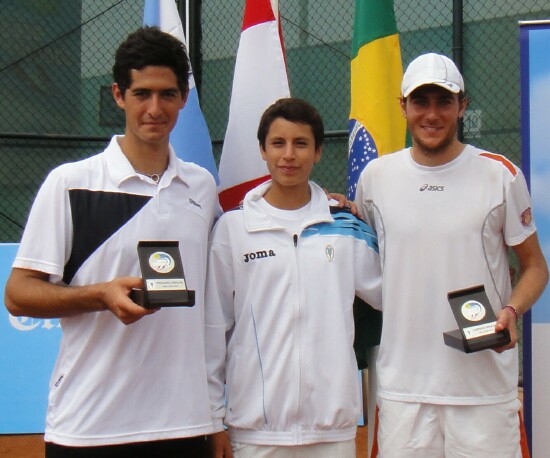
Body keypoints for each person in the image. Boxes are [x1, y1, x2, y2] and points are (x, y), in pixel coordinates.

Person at [4, 27, 219, 457]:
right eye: (142, 94)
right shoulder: (70, 183)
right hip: (91, 427)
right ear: (119, 95)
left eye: (167, 94)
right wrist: (101, 295)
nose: (154, 108)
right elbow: (18, 294)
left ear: (183, 99)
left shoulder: (201, 185)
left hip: (185, 425)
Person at [355, 52, 549, 457]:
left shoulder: (500, 175)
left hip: (483, 391)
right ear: (403, 106)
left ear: (462, 106)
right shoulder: (375, 178)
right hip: (404, 392)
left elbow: (534, 267)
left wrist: (511, 312)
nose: (432, 114)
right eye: (420, 102)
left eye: (444, 101)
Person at [205, 97, 382, 458]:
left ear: (318, 152)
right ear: (262, 150)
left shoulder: (346, 226)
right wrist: (213, 419)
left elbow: (394, 296)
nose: (289, 154)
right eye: (278, 143)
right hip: (254, 433)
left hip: (332, 431)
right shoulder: (233, 229)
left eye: (301, 144)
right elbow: (213, 328)